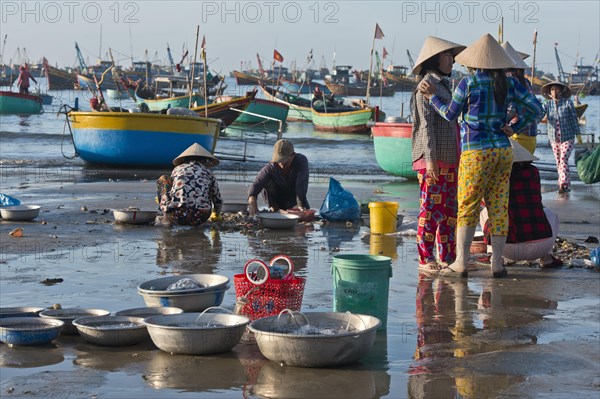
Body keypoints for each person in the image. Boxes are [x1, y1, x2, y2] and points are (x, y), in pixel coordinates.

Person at [418, 33, 543, 278]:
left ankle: (461, 262)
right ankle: (497, 263)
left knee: (467, 206)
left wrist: (432, 97)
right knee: (498, 206)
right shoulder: (511, 83)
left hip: (475, 152)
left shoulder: (469, 83)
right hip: (502, 151)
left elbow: (450, 114)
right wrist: (514, 127)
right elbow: (538, 110)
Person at [410, 36, 466, 273]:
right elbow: (426, 127)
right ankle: (425, 258)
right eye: (447, 56)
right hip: (432, 158)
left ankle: (448, 256)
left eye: (452, 56)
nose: (452, 60)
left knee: (449, 211)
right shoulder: (426, 85)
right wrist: (430, 159)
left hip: (450, 157)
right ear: (435, 59)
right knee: (430, 211)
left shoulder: (443, 84)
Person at [480, 140, 562, 268]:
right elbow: (536, 200)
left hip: (504, 248)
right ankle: (546, 258)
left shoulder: (497, 174)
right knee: (550, 213)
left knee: (485, 212)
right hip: (539, 247)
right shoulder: (533, 172)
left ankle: (493, 256)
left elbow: (485, 201)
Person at [157, 143, 223, 226]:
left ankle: (166, 218)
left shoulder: (177, 169)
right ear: (204, 160)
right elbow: (218, 200)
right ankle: (197, 224)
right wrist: (216, 214)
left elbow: (172, 189)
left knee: (163, 180)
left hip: (177, 215)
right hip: (201, 217)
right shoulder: (208, 173)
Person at [248, 139, 309, 215]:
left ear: (292, 155)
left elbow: (301, 185)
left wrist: (300, 205)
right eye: (279, 161)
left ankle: (296, 208)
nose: (281, 164)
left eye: (285, 161)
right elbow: (256, 185)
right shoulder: (271, 167)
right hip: (277, 201)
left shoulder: (301, 161)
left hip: (296, 201)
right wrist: (252, 203)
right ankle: (275, 208)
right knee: (266, 181)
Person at [540, 81, 580, 194]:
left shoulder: (568, 103)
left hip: (568, 137)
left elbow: (573, 119)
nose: (554, 91)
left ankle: (562, 183)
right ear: (549, 93)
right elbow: (539, 114)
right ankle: (565, 183)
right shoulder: (547, 104)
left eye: (557, 89)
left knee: (563, 159)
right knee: (559, 161)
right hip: (554, 138)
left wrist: (578, 134)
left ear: (561, 91)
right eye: (552, 89)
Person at [501, 41, 538, 155]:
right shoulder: (526, 82)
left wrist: (501, 122)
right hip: (531, 134)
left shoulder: (510, 80)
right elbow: (537, 109)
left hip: (517, 134)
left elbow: (511, 108)